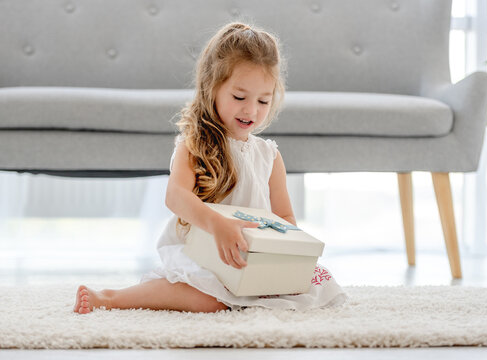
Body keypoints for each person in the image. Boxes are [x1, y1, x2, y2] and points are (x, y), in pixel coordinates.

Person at [74, 22, 348, 314]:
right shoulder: (193, 144)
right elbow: (176, 197)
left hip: (250, 261)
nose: (251, 110)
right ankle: (111, 298)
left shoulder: (269, 155)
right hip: (204, 254)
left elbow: (284, 216)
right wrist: (217, 225)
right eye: (239, 97)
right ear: (211, 88)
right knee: (212, 300)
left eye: (263, 100)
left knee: (318, 285)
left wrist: (285, 253)